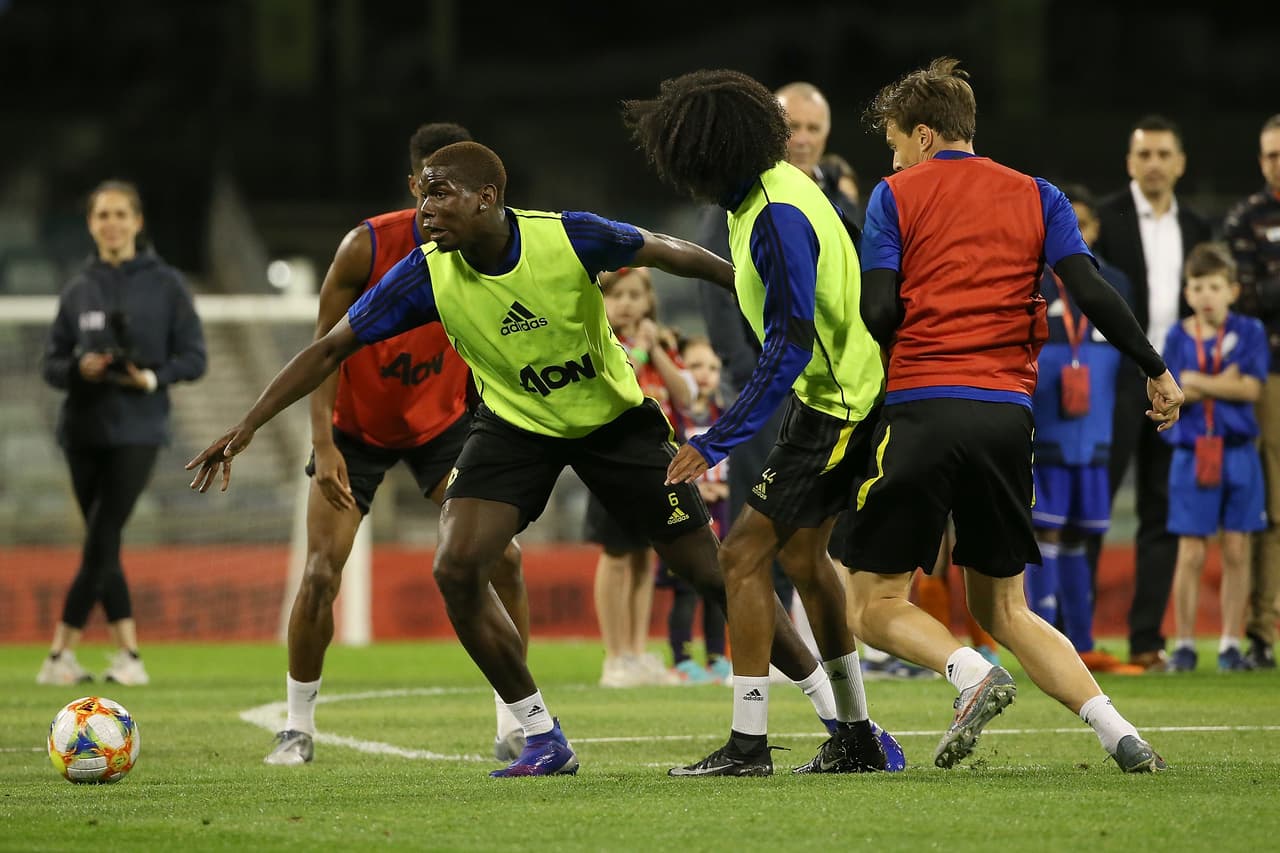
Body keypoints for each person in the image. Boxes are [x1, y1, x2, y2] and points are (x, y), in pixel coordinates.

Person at [188, 141, 851, 778]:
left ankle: (840, 721)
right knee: (456, 567)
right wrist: (248, 425)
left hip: (613, 423)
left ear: (486, 197)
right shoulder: (424, 272)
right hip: (516, 429)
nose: (425, 209)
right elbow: (331, 347)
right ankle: (540, 734)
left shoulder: (566, 236)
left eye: (440, 195)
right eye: (422, 196)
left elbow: (663, 248)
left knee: (712, 573)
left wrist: (743, 281)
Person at [844, 57, 1183, 774]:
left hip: (924, 407)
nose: (893, 158)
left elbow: (877, 310)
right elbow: (1090, 289)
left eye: (897, 142)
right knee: (1006, 609)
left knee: (872, 604)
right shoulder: (1040, 194)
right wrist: (1154, 368)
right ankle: (1119, 732)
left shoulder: (894, 195)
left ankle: (968, 673)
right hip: (1006, 418)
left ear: (925, 135)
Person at [625, 69, 898, 778]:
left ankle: (749, 744)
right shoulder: (772, 195)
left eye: (685, 154)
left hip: (835, 404)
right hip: (839, 393)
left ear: (708, 154)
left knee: (740, 557)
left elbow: (790, 342)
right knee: (803, 560)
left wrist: (715, 439)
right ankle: (857, 736)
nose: (682, 170)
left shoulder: (773, 213)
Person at [262, 123, 531, 767]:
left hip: (441, 427)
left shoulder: (493, 244)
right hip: (353, 431)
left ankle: (517, 720)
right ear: (414, 185)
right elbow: (324, 348)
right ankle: (296, 726)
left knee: (506, 559)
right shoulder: (367, 246)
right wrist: (323, 443)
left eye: (456, 187)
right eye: (431, 186)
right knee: (320, 572)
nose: (441, 199)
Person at [693, 80, 863, 647]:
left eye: (814, 128)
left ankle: (820, 654)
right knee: (761, 530)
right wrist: (745, 371)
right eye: (793, 127)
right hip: (769, 386)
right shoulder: (745, 196)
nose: (804, 139)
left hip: (828, 389)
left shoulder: (828, 195)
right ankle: (769, 651)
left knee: (806, 535)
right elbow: (718, 290)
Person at [38, 179, 207, 686]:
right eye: (102, 215)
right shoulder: (78, 288)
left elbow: (194, 358)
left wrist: (150, 378)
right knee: (103, 543)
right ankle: (128, 656)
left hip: (140, 427)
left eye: (119, 214)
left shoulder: (167, 285)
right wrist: (79, 368)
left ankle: (59, 653)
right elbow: (50, 365)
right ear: (91, 225)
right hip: (82, 429)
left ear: (137, 221)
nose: (111, 224)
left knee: (102, 534)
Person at [1092, 115, 1213, 672]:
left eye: (1164, 154)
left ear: (1180, 163)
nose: (1155, 164)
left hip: (1176, 388)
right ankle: (1076, 634)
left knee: (1161, 512)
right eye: (1145, 154)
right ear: (1129, 162)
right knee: (1095, 508)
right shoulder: (1107, 219)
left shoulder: (1197, 225)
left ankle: (1145, 641)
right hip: (1116, 383)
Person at [1025, 184, 1142, 675]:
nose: (1075, 231)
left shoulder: (1113, 281)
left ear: (1094, 229)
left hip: (1093, 426)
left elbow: (1126, 348)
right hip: (1045, 423)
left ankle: (1083, 641)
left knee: (1080, 533)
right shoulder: (1029, 278)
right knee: (1044, 529)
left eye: (1084, 223)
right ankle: (1040, 640)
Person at [1162, 242, 1268, 672]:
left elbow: (1251, 389)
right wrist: (1223, 381)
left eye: (1215, 287)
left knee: (1238, 549)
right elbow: (1173, 391)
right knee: (1190, 551)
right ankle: (1185, 644)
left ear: (1233, 291)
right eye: (1198, 286)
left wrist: (1196, 381)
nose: (1207, 295)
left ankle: (1229, 644)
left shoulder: (1251, 331)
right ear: (1187, 293)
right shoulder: (1176, 335)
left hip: (1238, 451)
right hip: (1192, 452)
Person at [590, 267, 691, 688]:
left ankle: (635, 651)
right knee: (616, 555)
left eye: (636, 295)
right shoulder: (599, 338)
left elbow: (686, 395)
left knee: (643, 556)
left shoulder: (660, 341)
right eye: (618, 295)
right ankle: (615, 657)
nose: (627, 304)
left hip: (657, 460)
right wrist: (643, 351)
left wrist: (657, 350)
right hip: (610, 456)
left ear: (650, 301)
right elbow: (622, 380)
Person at [1222, 113, 1280, 670]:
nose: (1276, 164)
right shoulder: (1245, 218)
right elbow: (1247, 298)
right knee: (1274, 507)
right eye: (1270, 155)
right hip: (1273, 376)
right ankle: (1263, 631)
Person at [661, 335, 732, 684]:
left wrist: (727, 487)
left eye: (713, 367)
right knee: (686, 589)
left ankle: (718, 657)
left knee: (719, 585)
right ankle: (683, 659)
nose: (705, 374)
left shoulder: (726, 415)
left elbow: (737, 462)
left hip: (721, 512)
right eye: (695, 366)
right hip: (685, 511)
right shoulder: (670, 417)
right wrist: (694, 487)